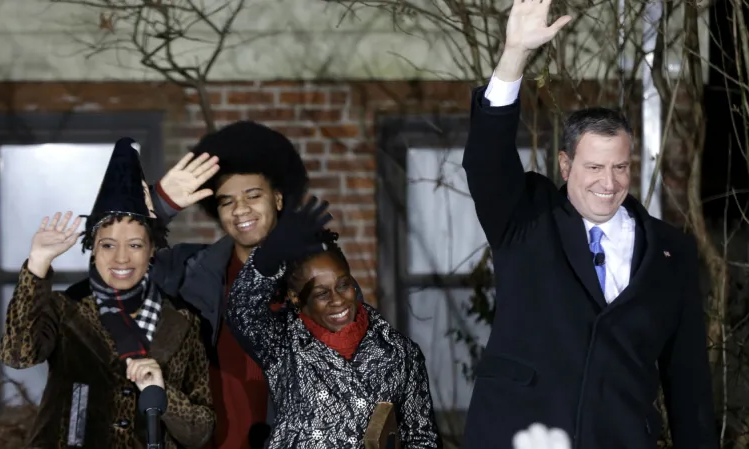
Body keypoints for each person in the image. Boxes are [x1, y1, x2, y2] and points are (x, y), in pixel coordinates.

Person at [460, 1, 717, 448]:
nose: (609, 182)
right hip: (521, 435)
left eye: (620, 167)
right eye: (594, 167)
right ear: (565, 164)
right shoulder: (526, 217)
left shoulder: (671, 251)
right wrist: (514, 54)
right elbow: (486, 161)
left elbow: (688, 382)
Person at [0, 138, 215, 449]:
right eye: (108, 245)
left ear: (152, 250)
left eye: (135, 245)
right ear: (92, 249)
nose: (121, 259)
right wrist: (38, 263)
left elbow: (200, 432)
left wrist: (164, 395)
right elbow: (16, 355)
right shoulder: (67, 309)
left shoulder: (184, 321)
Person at [224, 198, 440, 448]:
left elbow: (422, 438)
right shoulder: (284, 344)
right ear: (296, 297)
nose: (338, 300)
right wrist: (268, 256)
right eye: (322, 294)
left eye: (343, 285)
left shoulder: (399, 352)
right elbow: (242, 312)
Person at [148, 121, 310, 449]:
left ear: (277, 199)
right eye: (227, 201)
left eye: (253, 195)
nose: (241, 210)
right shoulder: (183, 270)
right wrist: (158, 206)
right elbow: (112, 268)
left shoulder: (317, 280)